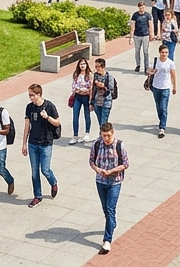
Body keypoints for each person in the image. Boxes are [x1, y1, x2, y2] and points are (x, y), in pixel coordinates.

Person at [89, 122, 129, 255]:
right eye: (103, 135)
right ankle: (112, 224)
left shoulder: (119, 145)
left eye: (108, 135)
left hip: (115, 182)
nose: (105, 138)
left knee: (111, 209)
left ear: (113, 132)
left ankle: (107, 240)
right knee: (105, 209)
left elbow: (126, 163)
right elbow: (91, 161)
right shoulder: (96, 144)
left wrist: (112, 171)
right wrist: (98, 170)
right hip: (100, 181)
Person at [21, 83, 61, 207]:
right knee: (34, 172)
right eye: (29, 95)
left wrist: (47, 117)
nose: (30, 98)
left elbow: (57, 122)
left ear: (39, 94)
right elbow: (27, 125)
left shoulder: (49, 106)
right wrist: (24, 143)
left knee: (45, 170)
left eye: (32, 95)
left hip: (46, 143)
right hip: (33, 143)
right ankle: (37, 196)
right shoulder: (29, 107)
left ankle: (53, 182)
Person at [148, 44, 176, 138]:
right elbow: (152, 71)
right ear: (159, 52)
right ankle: (162, 121)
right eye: (163, 52)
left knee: (163, 107)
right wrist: (150, 72)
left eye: (166, 52)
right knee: (158, 107)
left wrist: (174, 86)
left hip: (166, 87)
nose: (164, 54)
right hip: (156, 86)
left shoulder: (170, 63)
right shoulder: (156, 61)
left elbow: (173, 75)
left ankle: (162, 128)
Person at [69, 57, 93, 144]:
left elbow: (91, 87)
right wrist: (78, 90)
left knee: (87, 114)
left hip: (86, 97)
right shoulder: (76, 74)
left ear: (86, 65)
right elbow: (74, 85)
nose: (82, 66)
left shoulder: (89, 75)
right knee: (75, 116)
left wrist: (89, 97)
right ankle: (75, 135)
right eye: (81, 64)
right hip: (77, 97)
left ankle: (87, 132)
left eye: (84, 64)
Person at [91, 58, 115, 128]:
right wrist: (91, 102)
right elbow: (93, 89)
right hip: (97, 101)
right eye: (96, 67)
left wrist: (103, 86)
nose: (97, 69)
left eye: (98, 67)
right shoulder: (96, 75)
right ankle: (102, 135)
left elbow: (111, 89)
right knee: (100, 122)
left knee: (103, 122)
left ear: (103, 67)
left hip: (106, 102)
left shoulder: (109, 77)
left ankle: (102, 137)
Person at [129, 2, 152, 73]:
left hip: (145, 35)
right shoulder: (135, 15)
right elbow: (132, 26)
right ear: (138, 7)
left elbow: (150, 25)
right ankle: (138, 65)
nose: (141, 9)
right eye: (140, 7)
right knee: (137, 51)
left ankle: (146, 67)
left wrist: (152, 34)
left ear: (145, 7)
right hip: (137, 35)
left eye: (143, 7)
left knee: (146, 52)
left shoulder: (148, 15)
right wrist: (131, 37)